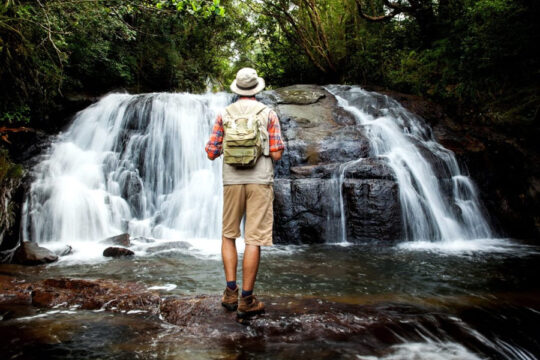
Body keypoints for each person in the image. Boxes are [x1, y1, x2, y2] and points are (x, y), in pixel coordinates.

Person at [205, 67, 284, 318]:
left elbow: (211, 152)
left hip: (232, 181)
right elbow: (277, 153)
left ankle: (230, 293)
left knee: (228, 235)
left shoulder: (224, 114)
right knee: (253, 239)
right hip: (260, 180)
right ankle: (247, 299)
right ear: (257, 89)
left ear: (237, 89)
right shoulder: (268, 113)